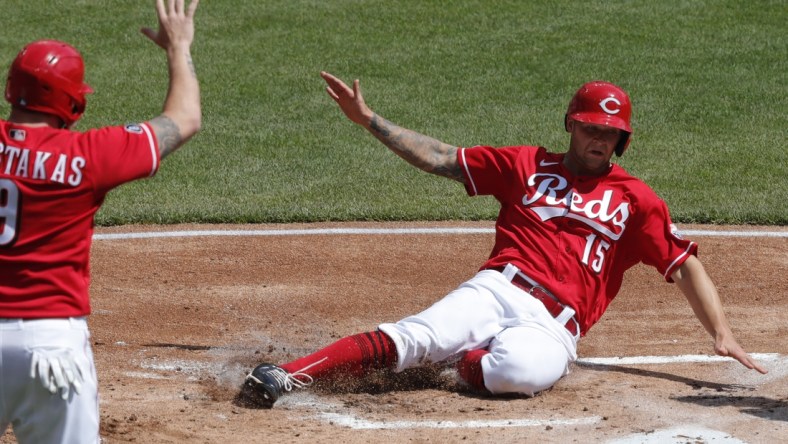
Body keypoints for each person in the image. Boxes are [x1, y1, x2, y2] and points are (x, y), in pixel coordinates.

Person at [239, 72, 767, 409]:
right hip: (498, 288)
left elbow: (685, 263)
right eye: (588, 128)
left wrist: (721, 333)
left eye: (607, 132)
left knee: (515, 372)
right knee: (411, 337)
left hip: (558, 325)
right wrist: (369, 120)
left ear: (621, 137)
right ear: (570, 125)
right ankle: (286, 376)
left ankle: (460, 362)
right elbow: (443, 158)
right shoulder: (526, 164)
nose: (596, 139)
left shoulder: (638, 200)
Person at [0, 0, 200, 441]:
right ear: (70, 100)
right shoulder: (88, 156)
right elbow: (184, 119)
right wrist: (178, 48)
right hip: (51, 346)